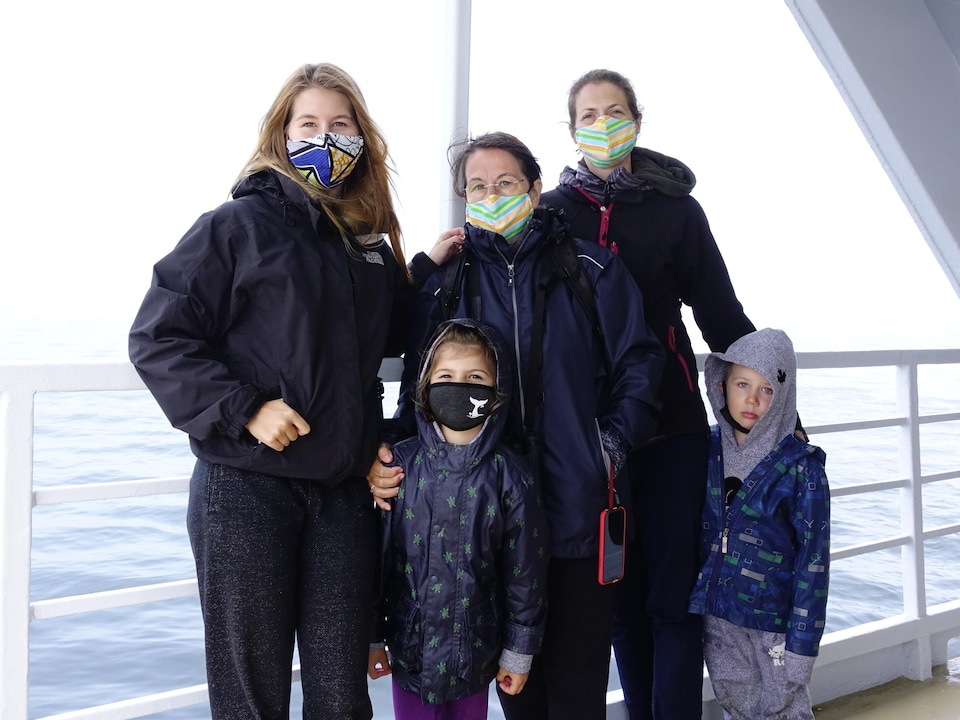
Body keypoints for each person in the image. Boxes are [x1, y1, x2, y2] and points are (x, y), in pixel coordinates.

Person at [128, 63, 450, 720]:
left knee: (340, 693)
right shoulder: (235, 226)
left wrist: (426, 272)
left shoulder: (366, 242)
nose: (326, 138)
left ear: (361, 139)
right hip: (247, 487)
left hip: (341, 495)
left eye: (341, 125)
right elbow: (158, 336)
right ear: (282, 133)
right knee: (253, 695)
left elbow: (387, 341)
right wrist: (244, 409)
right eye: (310, 124)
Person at [369, 131, 665, 720]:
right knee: (516, 689)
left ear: (535, 188)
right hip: (482, 521)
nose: (491, 193)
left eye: (504, 182)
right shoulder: (447, 284)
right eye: (476, 186)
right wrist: (393, 459)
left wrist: (609, 444)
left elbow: (641, 360)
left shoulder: (590, 268)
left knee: (578, 683)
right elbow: (417, 397)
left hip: (581, 507)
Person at [539, 68, 757, 720]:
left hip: (672, 431)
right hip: (588, 441)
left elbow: (720, 315)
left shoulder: (677, 211)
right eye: (589, 115)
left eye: (615, 112)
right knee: (622, 607)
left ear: (637, 119)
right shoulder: (549, 212)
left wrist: (773, 402)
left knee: (673, 602)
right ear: (572, 130)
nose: (603, 126)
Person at [367, 318, 549, 720]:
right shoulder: (399, 465)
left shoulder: (512, 477)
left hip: (477, 656)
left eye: (475, 376)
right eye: (446, 375)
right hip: (408, 653)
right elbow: (375, 561)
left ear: (496, 391)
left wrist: (519, 652)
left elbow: (526, 574)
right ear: (425, 386)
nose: (459, 384)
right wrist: (373, 637)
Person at [688, 328, 829, 719]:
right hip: (718, 617)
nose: (751, 399)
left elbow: (813, 563)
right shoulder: (708, 450)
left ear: (784, 396)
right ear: (722, 385)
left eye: (767, 389)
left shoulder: (803, 467)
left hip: (776, 626)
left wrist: (802, 644)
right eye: (742, 384)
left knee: (785, 709)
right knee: (736, 704)